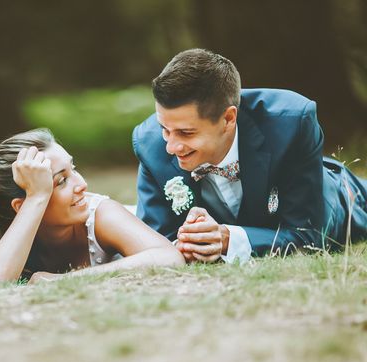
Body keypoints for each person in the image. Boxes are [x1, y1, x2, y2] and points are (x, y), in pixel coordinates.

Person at [133, 48, 367, 263]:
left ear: (228, 119)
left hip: (337, 197)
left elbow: (308, 235)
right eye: (165, 129)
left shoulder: (291, 123)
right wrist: (188, 245)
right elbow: (156, 239)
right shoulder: (149, 143)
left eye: (186, 133)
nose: (171, 147)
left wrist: (227, 240)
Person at [0, 128, 184, 286]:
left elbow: (169, 257)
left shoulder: (100, 213)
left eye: (73, 168)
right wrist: (36, 199)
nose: (82, 185)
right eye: (61, 181)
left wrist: (62, 280)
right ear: (21, 206)